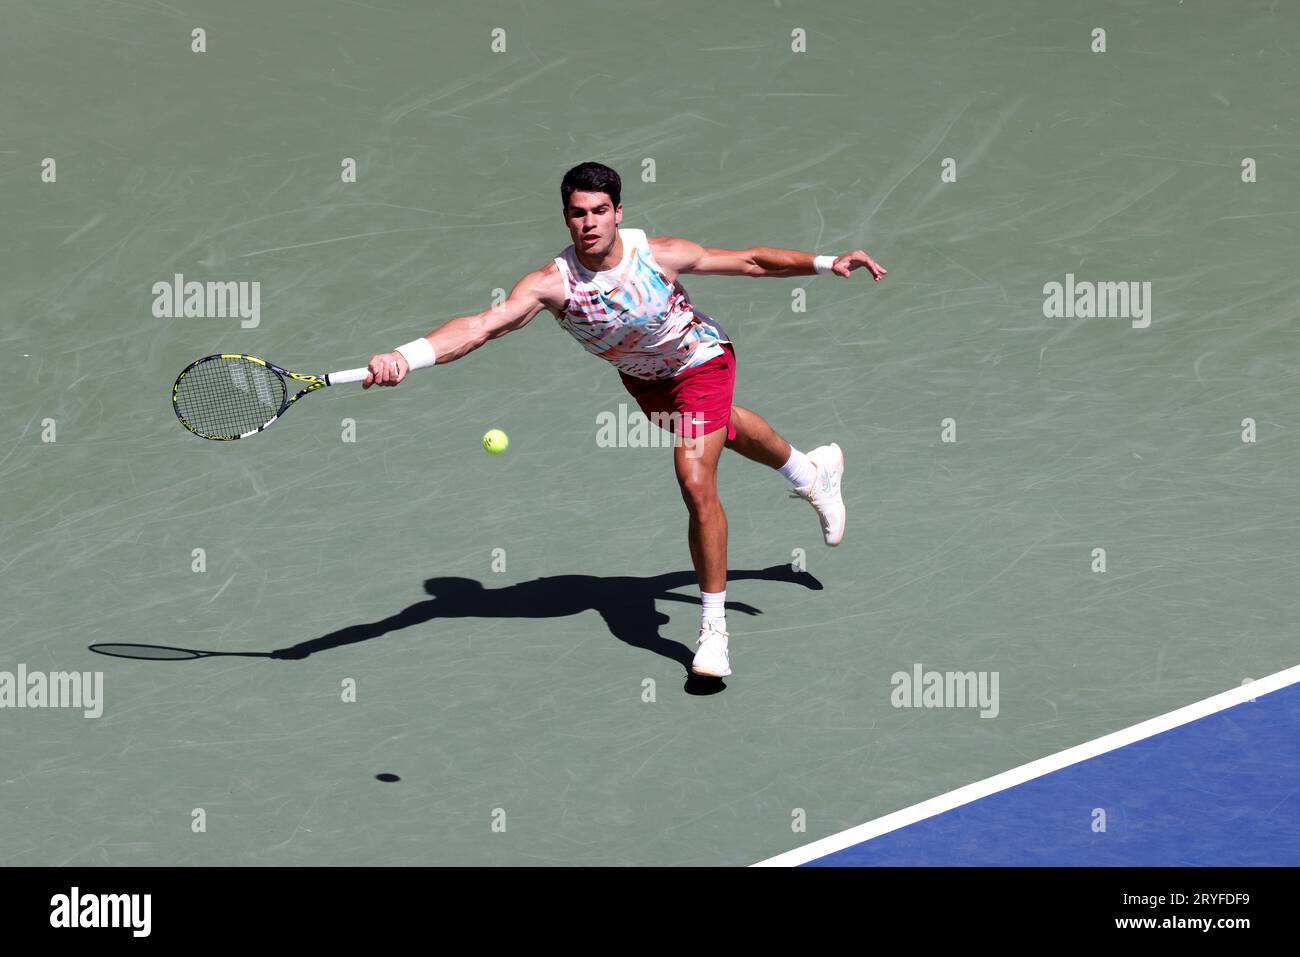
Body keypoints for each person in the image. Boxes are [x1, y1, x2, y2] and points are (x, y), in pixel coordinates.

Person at [364, 162, 887, 678]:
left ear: (618, 212)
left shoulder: (657, 254)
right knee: (724, 428)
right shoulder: (552, 284)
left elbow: (750, 261)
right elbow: (480, 326)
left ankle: (713, 632)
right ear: (566, 219)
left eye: (598, 211)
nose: (588, 223)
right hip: (646, 384)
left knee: (695, 477)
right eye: (576, 213)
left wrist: (825, 262)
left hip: (701, 360)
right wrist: (407, 356)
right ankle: (811, 472)